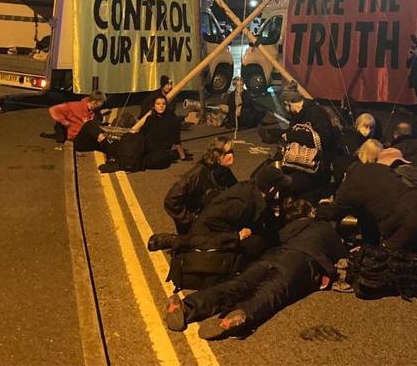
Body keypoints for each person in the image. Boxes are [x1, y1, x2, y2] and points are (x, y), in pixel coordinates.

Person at [165, 198, 346, 340]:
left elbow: (275, 240)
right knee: (270, 293)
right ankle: (241, 315)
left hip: (273, 256)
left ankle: (187, 306)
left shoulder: (290, 228)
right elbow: (340, 255)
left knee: (238, 284)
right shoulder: (324, 228)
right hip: (300, 263)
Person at [148, 165, 292, 292]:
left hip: (216, 228)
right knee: (255, 244)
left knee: (258, 238)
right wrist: (236, 236)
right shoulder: (241, 204)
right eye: (279, 188)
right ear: (272, 188)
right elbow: (212, 219)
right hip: (207, 235)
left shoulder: (252, 191)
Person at [332, 144, 417, 284]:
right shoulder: (379, 168)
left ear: (344, 174)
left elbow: (334, 212)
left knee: (383, 262)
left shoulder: (349, 185)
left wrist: (322, 207)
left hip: (410, 219)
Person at [163, 137, 238, 234]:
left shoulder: (223, 170)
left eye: (232, 151)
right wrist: (191, 220)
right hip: (198, 224)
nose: (232, 155)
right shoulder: (197, 174)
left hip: (212, 218)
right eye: (228, 152)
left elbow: (235, 191)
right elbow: (171, 200)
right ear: (217, 155)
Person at [280, 87, 341, 199]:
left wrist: (293, 135)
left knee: (288, 186)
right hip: (297, 160)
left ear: (288, 103)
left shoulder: (318, 113)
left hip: (316, 165)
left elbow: (323, 140)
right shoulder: (296, 116)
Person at [42, 91, 107, 151]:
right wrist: (63, 121)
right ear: (94, 102)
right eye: (99, 105)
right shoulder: (74, 106)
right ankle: (105, 143)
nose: (100, 107)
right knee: (89, 125)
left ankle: (110, 150)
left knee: (105, 143)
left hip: (87, 138)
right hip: (76, 138)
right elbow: (53, 109)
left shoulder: (95, 113)